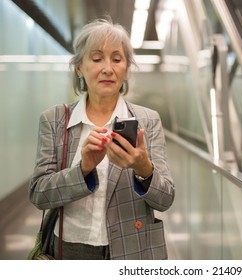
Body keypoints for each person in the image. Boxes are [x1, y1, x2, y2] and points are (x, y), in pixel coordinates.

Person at [29, 18, 175, 260]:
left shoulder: (147, 121)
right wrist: (83, 169)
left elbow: (165, 199)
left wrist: (144, 168)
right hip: (70, 251)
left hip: (132, 250)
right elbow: (39, 195)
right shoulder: (54, 120)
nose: (108, 68)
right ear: (79, 67)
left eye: (117, 59)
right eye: (96, 59)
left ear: (126, 67)